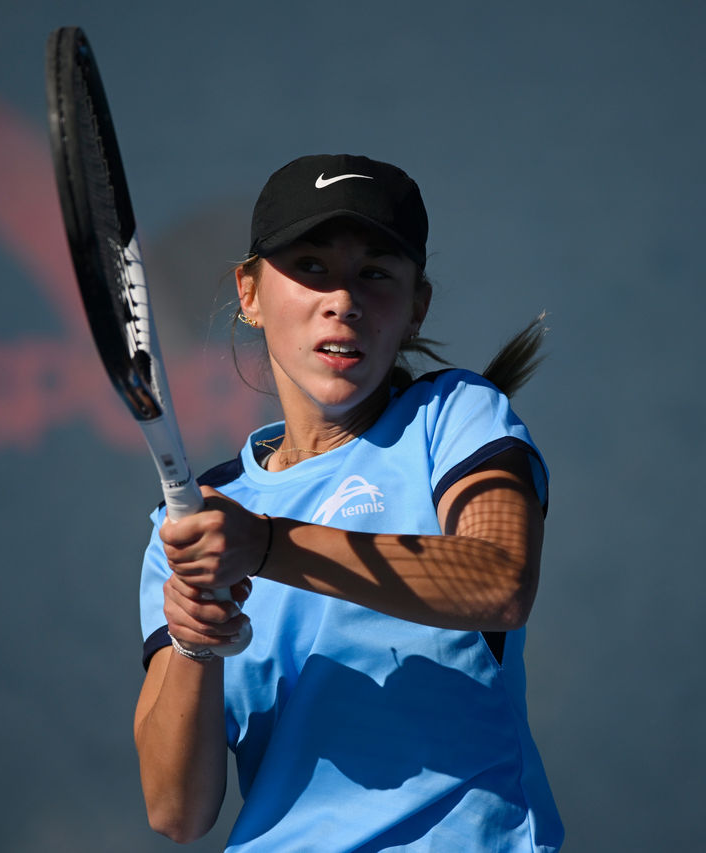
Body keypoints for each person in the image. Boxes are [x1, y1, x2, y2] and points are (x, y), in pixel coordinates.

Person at [134, 154, 563, 852]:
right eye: (309, 267)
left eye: (375, 273)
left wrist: (267, 546)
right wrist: (193, 638)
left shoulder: (455, 417)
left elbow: (500, 579)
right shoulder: (192, 522)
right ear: (249, 291)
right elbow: (176, 810)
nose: (343, 300)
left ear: (416, 303)